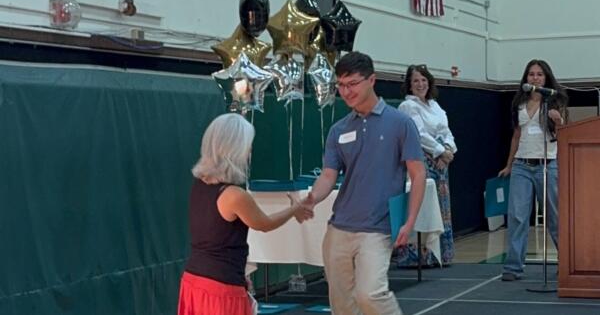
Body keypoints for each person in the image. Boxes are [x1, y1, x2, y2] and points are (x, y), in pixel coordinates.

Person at [301, 51, 426, 315]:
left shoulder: (401, 123)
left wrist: (410, 221)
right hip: (339, 228)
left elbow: (418, 174)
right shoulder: (339, 129)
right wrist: (313, 198)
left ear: (372, 80)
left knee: (370, 294)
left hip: (377, 228)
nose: (346, 92)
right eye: (341, 85)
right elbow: (328, 175)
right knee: (342, 304)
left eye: (353, 84)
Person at [177, 113, 312, 315]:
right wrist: (294, 209)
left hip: (194, 280)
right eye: (248, 145)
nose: (249, 151)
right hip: (220, 288)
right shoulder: (234, 195)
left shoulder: (200, 185)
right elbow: (264, 224)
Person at [498, 59, 568, 281]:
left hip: (547, 164)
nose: (535, 78)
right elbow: (516, 135)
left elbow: (563, 133)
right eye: (531, 74)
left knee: (555, 217)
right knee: (518, 216)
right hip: (522, 164)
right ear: (526, 78)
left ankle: (567, 263)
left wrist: (558, 120)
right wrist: (509, 164)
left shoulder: (555, 100)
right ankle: (513, 267)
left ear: (546, 78)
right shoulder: (519, 102)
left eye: (539, 74)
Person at [396, 64, 458, 267]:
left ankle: (440, 254)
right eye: (416, 81)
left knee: (440, 207)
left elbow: (446, 131)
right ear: (409, 84)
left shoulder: (434, 105)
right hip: (421, 160)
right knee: (423, 206)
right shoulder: (408, 106)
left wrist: (448, 149)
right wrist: (440, 151)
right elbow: (419, 134)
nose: (420, 84)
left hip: (440, 161)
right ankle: (418, 256)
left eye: (423, 80)